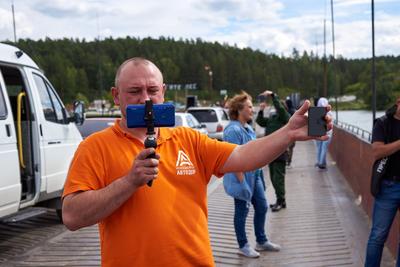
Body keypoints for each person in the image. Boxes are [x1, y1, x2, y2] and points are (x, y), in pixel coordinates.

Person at [62, 57, 332, 267]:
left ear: (163, 92)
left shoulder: (188, 139)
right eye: (134, 91)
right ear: (115, 95)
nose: (145, 98)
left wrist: (289, 133)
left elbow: (243, 156)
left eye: (152, 89)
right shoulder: (95, 147)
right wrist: (130, 181)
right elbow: (72, 216)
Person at [223, 92, 280, 258]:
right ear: (239, 109)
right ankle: (243, 245)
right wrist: (242, 183)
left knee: (262, 206)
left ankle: (261, 241)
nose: (252, 110)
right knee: (241, 211)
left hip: (255, 176)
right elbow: (232, 159)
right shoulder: (232, 130)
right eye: (249, 107)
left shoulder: (247, 128)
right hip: (241, 178)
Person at [365, 96, 400, 267]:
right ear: (398, 102)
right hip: (389, 186)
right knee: (378, 236)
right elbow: (377, 151)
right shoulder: (383, 123)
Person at [256, 90, 290, 212]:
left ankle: (281, 200)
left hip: (280, 151)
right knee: (272, 177)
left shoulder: (284, 117)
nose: (275, 109)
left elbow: (281, 110)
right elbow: (260, 122)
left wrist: (273, 96)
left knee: (278, 178)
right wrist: (261, 111)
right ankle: (280, 200)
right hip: (270, 151)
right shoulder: (273, 118)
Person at [315, 97, 333, 169]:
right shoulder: (329, 112)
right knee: (324, 148)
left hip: (317, 133)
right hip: (327, 133)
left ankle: (320, 162)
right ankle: (321, 163)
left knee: (319, 148)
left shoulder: (316, 111)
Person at [285, 97, 296, 168]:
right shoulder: (294, 111)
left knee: (286, 147)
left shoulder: (286, 111)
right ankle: (289, 162)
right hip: (294, 132)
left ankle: (286, 160)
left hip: (287, 131)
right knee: (291, 147)